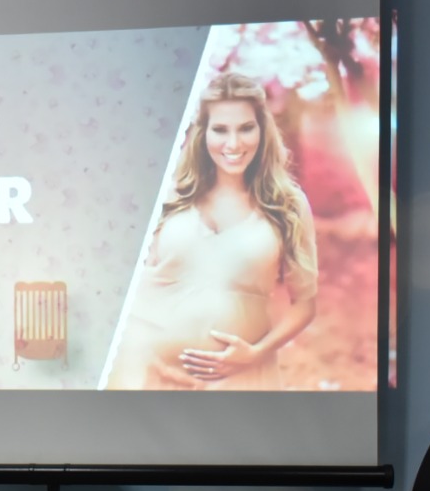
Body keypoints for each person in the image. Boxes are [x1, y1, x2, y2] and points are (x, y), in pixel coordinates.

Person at [105, 71, 318, 390]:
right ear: (203, 134)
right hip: (149, 374)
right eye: (220, 129)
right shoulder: (168, 195)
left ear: (263, 129)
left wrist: (255, 353)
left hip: (241, 380)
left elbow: (305, 304)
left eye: (246, 128)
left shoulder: (287, 204)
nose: (234, 144)